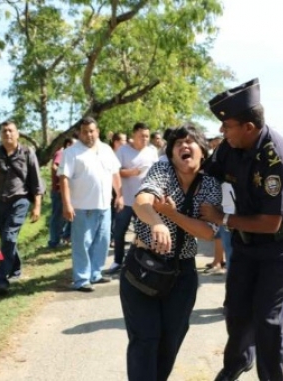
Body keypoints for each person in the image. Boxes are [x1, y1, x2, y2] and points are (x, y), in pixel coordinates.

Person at [200, 78, 283, 381]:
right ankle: (237, 362)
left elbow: (270, 222)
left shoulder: (278, 159)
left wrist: (221, 218)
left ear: (249, 127)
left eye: (227, 126)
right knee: (235, 310)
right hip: (247, 243)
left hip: (281, 246)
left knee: (267, 320)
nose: (222, 132)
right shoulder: (230, 147)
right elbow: (207, 173)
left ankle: (272, 377)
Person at [120, 124, 221, 381]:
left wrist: (171, 215)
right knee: (145, 338)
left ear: (203, 150)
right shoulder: (162, 169)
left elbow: (208, 232)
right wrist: (156, 222)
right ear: (171, 153)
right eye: (178, 144)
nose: (184, 147)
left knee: (172, 337)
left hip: (183, 273)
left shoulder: (210, 184)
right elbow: (142, 201)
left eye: (190, 142)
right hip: (144, 267)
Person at [0, 120, 45, 295]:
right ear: (0, 135)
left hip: (20, 200)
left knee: (8, 237)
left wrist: (37, 206)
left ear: (17, 133)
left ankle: (0, 279)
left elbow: (36, 181)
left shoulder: (27, 152)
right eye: (3, 131)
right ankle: (15, 269)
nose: (7, 134)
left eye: (10, 131)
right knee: (7, 238)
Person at [58, 117, 123, 291]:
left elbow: (115, 174)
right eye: (85, 132)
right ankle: (81, 279)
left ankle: (95, 274)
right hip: (82, 207)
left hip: (104, 206)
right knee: (82, 244)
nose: (89, 135)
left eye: (92, 131)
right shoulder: (71, 152)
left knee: (102, 242)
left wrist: (119, 195)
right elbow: (63, 179)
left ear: (98, 131)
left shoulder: (107, 149)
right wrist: (66, 204)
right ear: (79, 133)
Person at [106, 122, 159, 275]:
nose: (145, 139)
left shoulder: (152, 151)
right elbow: (115, 171)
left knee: (145, 233)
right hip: (126, 200)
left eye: (147, 136)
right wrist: (131, 172)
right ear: (133, 135)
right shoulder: (123, 151)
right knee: (119, 232)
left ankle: (143, 263)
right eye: (141, 136)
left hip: (145, 201)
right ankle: (117, 261)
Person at [48, 137, 74, 248]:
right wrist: (61, 178)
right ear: (68, 144)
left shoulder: (70, 155)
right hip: (59, 191)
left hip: (68, 190)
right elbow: (54, 166)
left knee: (68, 216)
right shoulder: (62, 152)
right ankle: (54, 241)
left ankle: (66, 237)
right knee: (57, 217)